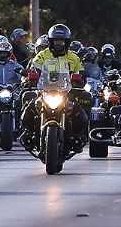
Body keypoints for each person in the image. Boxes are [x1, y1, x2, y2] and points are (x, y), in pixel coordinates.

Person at [21, 23, 88, 152]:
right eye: (56, 41)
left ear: (66, 42)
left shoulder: (73, 57)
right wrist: (31, 76)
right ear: (51, 42)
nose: (58, 44)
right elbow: (34, 68)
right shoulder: (42, 55)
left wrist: (79, 79)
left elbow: (81, 73)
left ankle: (77, 137)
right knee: (29, 109)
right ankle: (28, 134)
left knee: (81, 114)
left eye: (61, 41)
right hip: (45, 91)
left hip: (65, 93)